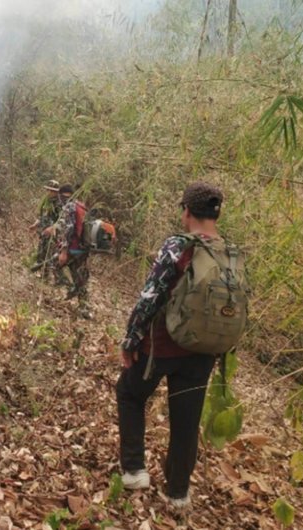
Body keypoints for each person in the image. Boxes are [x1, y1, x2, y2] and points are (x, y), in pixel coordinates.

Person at [116, 181, 227, 509]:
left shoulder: (178, 246)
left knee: (130, 394)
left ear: (187, 211)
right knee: (186, 421)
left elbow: (151, 296)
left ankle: (135, 470)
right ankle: (178, 493)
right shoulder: (226, 250)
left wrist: (131, 338)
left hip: (162, 347)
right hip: (204, 352)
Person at [43, 184, 92, 319]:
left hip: (72, 248)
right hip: (83, 249)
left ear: (61, 195)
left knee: (54, 264)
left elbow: (68, 229)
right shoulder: (82, 206)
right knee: (80, 279)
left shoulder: (69, 207)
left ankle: (70, 288)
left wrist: (64, 251)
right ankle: (85, 308)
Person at [29, 179, 68, 285]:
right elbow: (42, 216)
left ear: (56, 192)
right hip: (43, 232)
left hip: (53, 235)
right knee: (41, 253)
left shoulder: (60, 204)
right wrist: (35, 225)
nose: (49, 192)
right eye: (49, 190)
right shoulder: (46, 201)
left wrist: (52, 228)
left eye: (52, 191)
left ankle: (58, 280)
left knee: (51, 256)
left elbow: (62, 220)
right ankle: (44, 275)